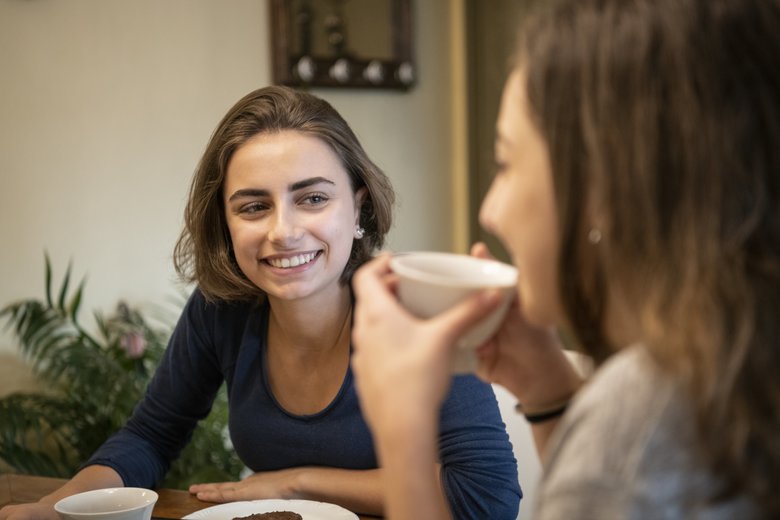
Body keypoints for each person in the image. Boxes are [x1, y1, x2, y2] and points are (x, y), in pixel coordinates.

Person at [0, 87, 521, 519]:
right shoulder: (220, 309)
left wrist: (297, 483)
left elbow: (487, 497)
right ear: (225, 226)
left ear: (358, 208)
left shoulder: (421, 307)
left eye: (312, 198)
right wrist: (56, 507)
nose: (283, 231)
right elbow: (151, 436)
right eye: (253, 206)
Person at [351, 0, 780, 518]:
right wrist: (549, 392)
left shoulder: (638, 423)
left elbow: (617, 475)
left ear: (608, 184)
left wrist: (402, 429)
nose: (490, 211)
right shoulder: (729, 366)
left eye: (505, 163)